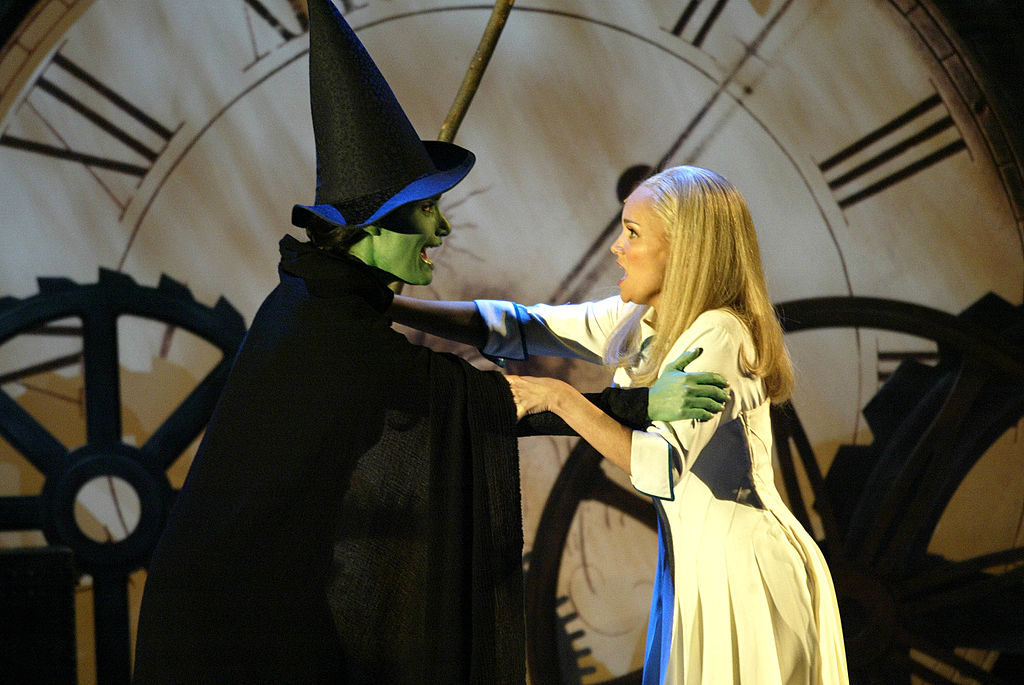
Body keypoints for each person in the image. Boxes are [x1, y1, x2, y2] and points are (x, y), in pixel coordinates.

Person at [132, 2, 727, 683]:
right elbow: (476, 400)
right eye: (424, 211)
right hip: (233, 629)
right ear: (370, 229)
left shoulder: (319, 300)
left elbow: (500, 340)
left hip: (255, 606)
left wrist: (394, 302)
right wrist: (642, 405)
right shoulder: (334, 332)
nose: (442, 230)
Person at [390, 165, 849, 683]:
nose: (617, 247)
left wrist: (561, 397)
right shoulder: (643, 321)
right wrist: (388, 305)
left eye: (632, 233)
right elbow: (519, 325)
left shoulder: (718, 333)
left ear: (684, 251)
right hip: (695, 566)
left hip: (743, 571)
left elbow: (658, 467)